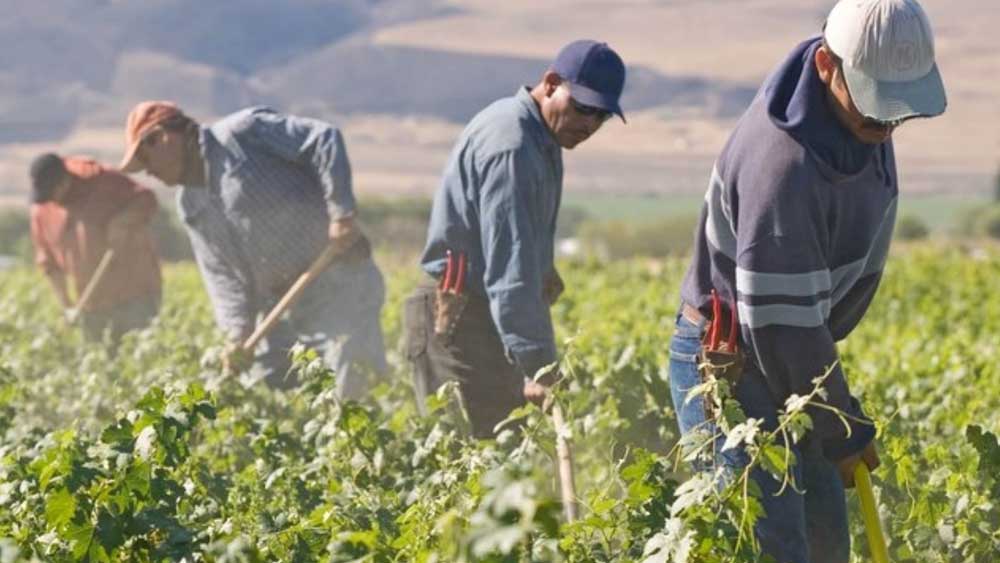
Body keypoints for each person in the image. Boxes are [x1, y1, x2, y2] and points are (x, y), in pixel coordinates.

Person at [668, 0, 947, 561]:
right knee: (776, 549)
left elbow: (799, 328)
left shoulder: (852, 115)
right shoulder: (782, 167)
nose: (887, 125)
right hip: (736, 362)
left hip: (795, 356)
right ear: (826, 65)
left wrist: (834, 416)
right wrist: (842, 429)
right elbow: (782, 327)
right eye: (876, 109)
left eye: (898, 111)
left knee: (824, 541)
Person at [403, 40, 627, 438]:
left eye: (602, 116)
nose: (590, 125)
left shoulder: (543, 136)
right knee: (474, 465)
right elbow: (511, 270)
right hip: (456, 316)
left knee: (500, 462)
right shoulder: (513, 146)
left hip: (486, 315)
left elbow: (523, 247)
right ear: (551, 83)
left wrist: (546, 270)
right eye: (583, 108)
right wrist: (539, 367)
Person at [117, 101, 386, 396]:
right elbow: (221, 275)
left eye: (145, 158)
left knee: (351, 388)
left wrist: (341, 214)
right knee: (262, 393)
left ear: (163, 137)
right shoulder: (190, 205)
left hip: (335, 280)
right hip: (279, 306)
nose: (148, 172)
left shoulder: (243, 134)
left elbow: (323, 139)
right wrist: (237, 335)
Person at [28, 153, 162, 344]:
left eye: (52, 193)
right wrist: (67, 306)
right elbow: (48, 263)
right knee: (103, 363)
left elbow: (147, 200)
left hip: (135, 294)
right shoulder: (42, 209)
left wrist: (123, 222)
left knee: (138, 355)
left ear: (64, 182)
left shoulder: (103, 182)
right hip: (91, 305)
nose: (50, 200)